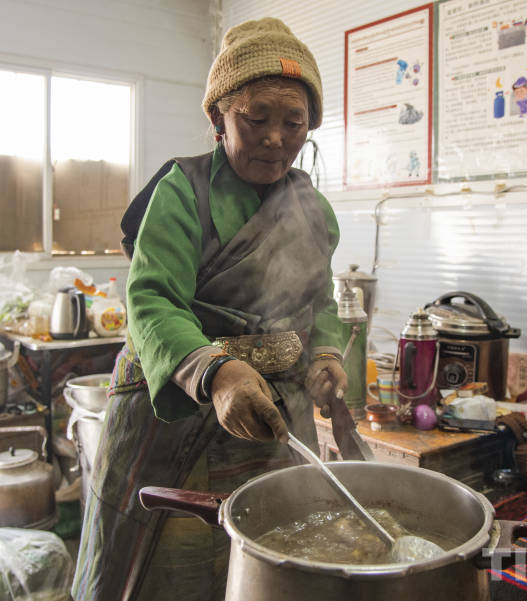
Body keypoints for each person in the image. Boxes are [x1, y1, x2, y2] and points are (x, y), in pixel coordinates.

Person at [72, 17, 348, 601]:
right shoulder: (181, 191)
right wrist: (217, 373)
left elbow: (321, 298)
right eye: (256, 118)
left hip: (272, 419)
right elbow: (152, 300)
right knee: (173, 569)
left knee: (269, 562)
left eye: (294, 123)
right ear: (219, 116)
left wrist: (326, 352)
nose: (275, 139)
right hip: (180, 411)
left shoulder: (313, 209)